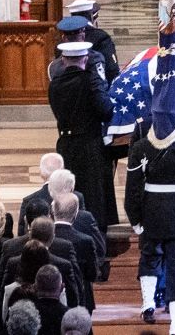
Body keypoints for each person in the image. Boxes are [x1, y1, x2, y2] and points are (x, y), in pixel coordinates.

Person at [124, 114, 175, 335]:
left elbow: (133, 188)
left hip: (152, 212)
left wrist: (135, 218)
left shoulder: (141, 147)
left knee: (150, 255)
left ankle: (148, 304)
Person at [47, 42, 113, 231]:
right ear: (85, 59)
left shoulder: (55, 85)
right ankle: (95, 239)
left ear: (64, 60)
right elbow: (106, 110)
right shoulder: (90, 81)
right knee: (93, 196)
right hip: (89, 145)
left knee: (66, 191)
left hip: (65, 144)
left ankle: (67, 230)